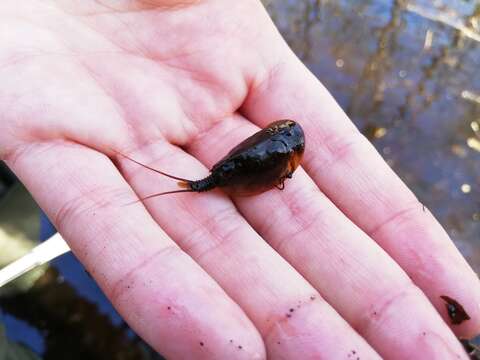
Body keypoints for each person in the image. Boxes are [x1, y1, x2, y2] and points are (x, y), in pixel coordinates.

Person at [0, 1, 478, 359]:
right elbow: (273, 162)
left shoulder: (283, 142)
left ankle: (29, 279)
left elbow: (273, 158)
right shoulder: (281, 146)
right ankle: (32, 282)